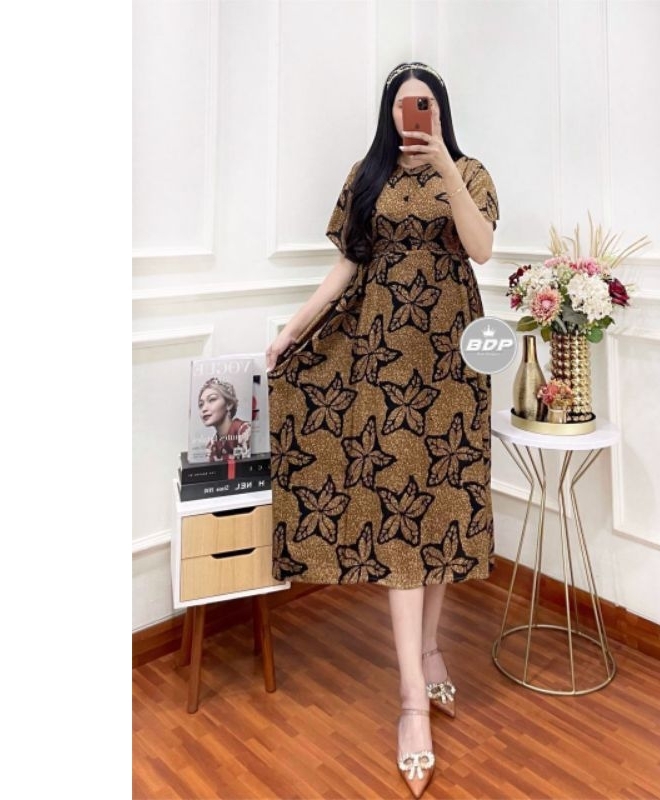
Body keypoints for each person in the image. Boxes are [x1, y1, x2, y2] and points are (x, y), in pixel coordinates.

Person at [266, 61, 498, 798]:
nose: (411, 115)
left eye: (423, 104)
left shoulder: (471, 172)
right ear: (387, 113)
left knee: (441, 506)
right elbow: (345, 267)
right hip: (381, 360)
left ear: (440, 110)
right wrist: (291, 330)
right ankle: (410, 702)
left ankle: (429, 653)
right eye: (401, 105)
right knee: (401, 519)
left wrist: (447, 170)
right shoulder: (366, 177)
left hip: (452, 361)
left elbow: (481, 248)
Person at [197, 377, 252, 461]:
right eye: (201, 404)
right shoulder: (211, 446)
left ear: (229, 404)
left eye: (212, 399)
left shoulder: (245, 430)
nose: (204, 409)